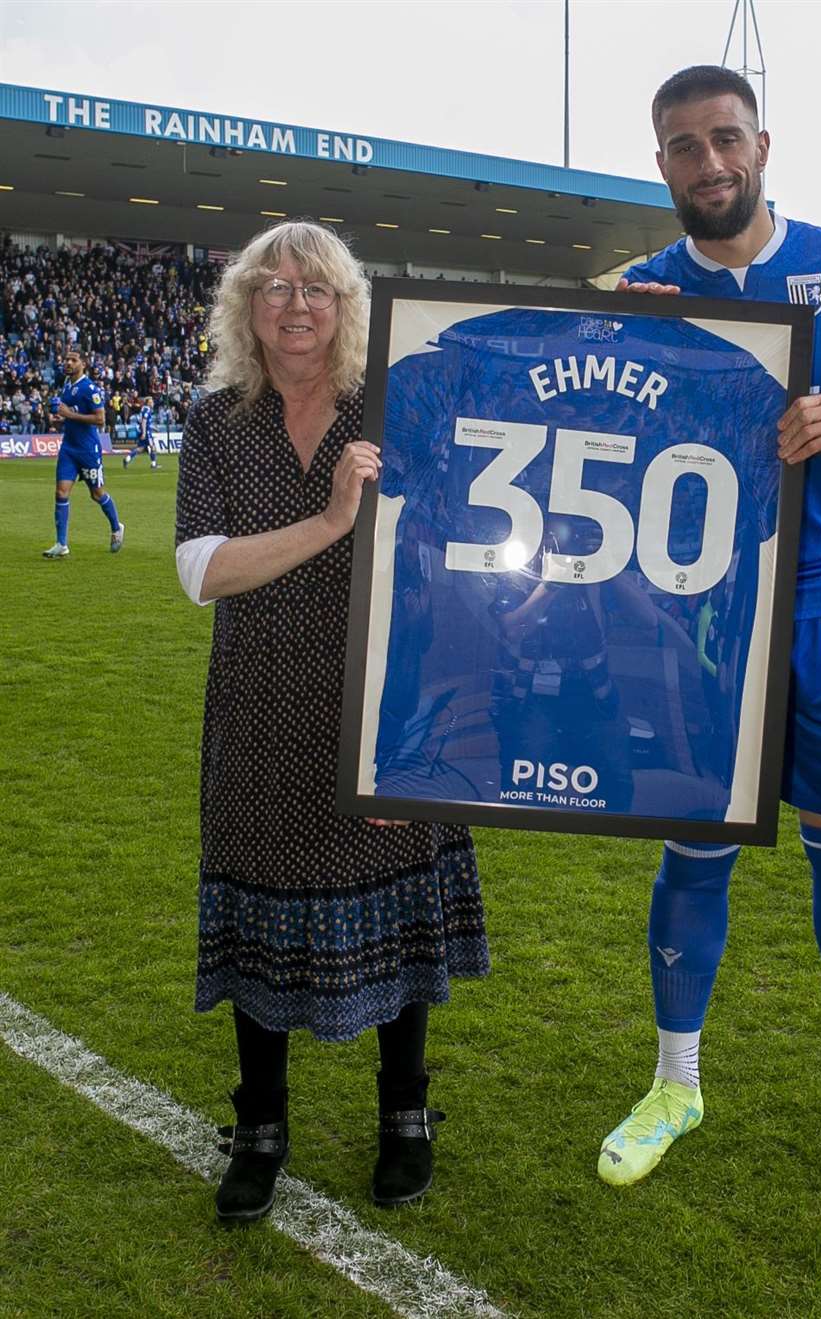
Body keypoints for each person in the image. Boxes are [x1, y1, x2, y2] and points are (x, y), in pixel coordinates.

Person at [597, 66, 821, 1187]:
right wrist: (623, 353)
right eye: (682, 146)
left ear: (764, 144)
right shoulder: (648, 287)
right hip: (695, 612)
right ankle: (675, 1082)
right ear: (659, 161)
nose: (709, 163)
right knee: (695, 849)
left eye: (725, 139)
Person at [174, 221, 489, 1223]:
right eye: (273, 287)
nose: (295, 303)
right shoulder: (215, 422)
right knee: (258, 911)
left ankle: (406, 1113)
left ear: (347, 307)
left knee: (397, 919)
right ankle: (258, 1125)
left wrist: (425, 734)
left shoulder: (396, 413)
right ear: (245, 309)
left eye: (316, 288)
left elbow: (452, 578)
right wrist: (326, 523)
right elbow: (201, 569)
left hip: (389, 709)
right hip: (261, 712)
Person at [42, 347, 124, 558]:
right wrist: (61, 418)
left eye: (73, 360)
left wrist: (69, 413)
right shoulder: (67, 386)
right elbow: (70, 415)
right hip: (69, 447)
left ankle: (116, 527)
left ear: (83, 364)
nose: (67, 363)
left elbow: (100, 420)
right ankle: (62, 544)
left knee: (97, 494)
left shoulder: (90, 389)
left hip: (88, 450)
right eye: (66, 360)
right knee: (61, 492)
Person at [123, 395, 159, 470]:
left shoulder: (143, 408)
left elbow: (142, 421)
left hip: (142, 430)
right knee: (152, 446)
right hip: (146, 431)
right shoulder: (147, 410)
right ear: (148, 403)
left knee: (140, 448)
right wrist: (144, 433)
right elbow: (144, 421)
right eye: (151, 402)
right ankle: (153, 464)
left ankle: (127, 459)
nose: (153, 403)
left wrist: (153, 428)